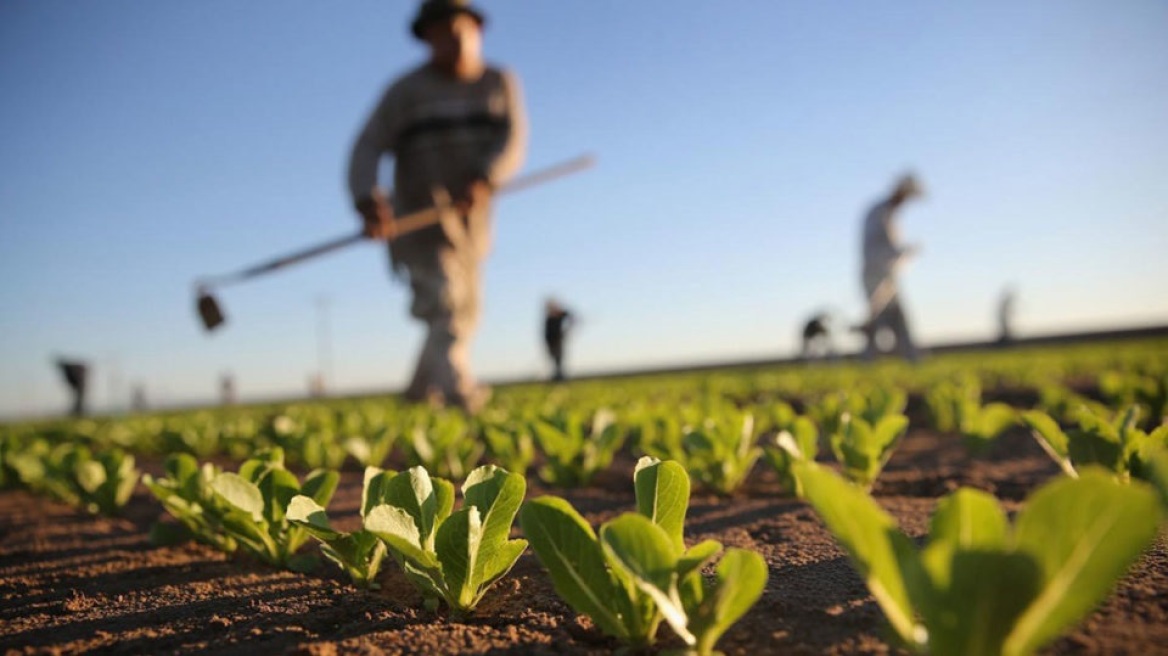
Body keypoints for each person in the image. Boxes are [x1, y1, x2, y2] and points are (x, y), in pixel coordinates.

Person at [347, 0, 527, 413]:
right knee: (444, 301)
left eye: (460, 29)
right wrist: (366, 197)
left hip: (472, 223)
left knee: (465, 310)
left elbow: (512, 140)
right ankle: (459, 394)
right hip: (419, 219)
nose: (454, 40)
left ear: (477, 30)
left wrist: (486, 176)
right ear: (427, 39)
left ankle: (416, 393)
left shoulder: (499, 83)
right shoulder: (405, 93)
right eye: (441, 33)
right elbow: (367, 146)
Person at [858, 174, 924, 361]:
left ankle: (912, 358)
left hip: (887, 275)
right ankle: (868, 361)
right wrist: (905, 251)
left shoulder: (888, 213)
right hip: (875, 275)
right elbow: (879, 247)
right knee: (877, 319)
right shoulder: (879, 213)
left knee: (898, 319)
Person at [543, 299, 574, 381]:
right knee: (554, 360)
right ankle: (557, 376)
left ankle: (560, 377)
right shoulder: (549, 318)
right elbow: (547, 333)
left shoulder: (560, 314)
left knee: (559, 359)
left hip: (558, 341)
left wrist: (567, 330)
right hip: (551, 342)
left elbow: (570, 317)